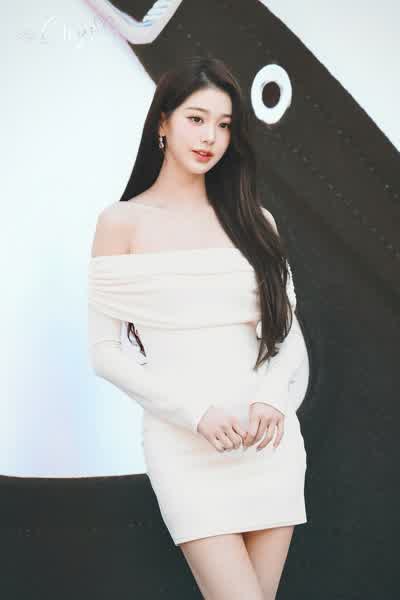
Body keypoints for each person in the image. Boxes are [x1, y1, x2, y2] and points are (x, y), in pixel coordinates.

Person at [88, 56, 308, 600]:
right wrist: (196, 413)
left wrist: (272, 398)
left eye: (224, 124)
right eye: (196, 118)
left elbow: (285, 332)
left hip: (268, 448)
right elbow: (105, 353)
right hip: (186, 448)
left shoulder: (255, 221)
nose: (211, 136)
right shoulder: (121, 223)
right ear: (162, 122)